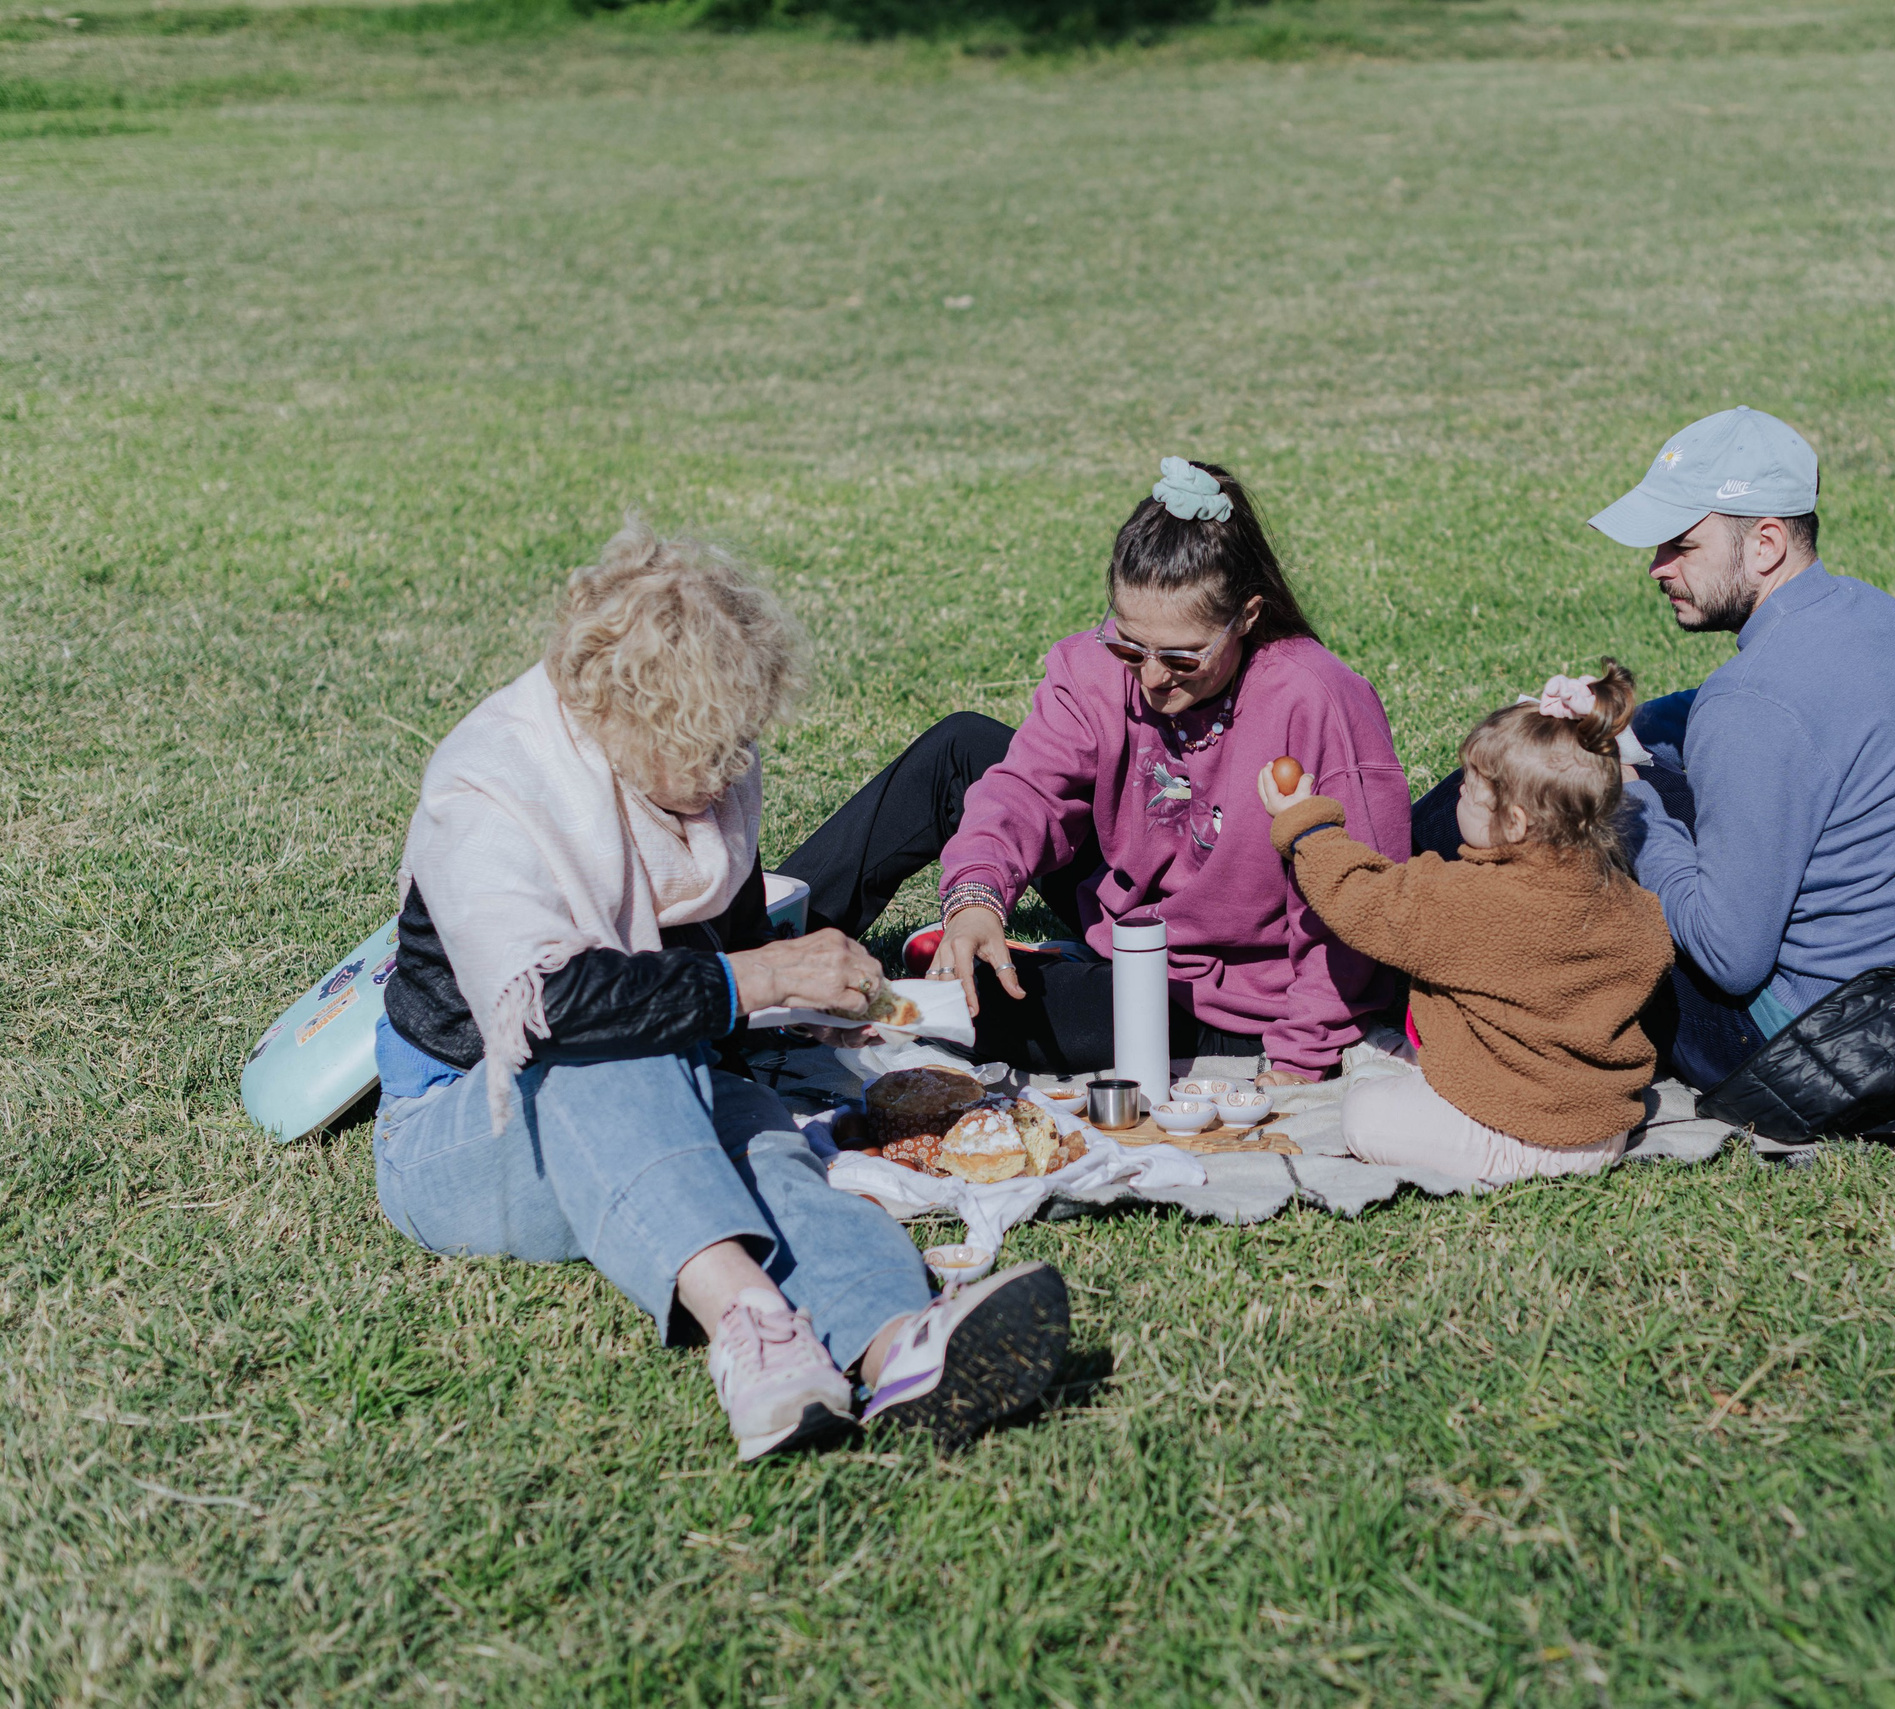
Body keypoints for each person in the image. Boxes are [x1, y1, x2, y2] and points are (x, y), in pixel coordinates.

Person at [371, 519, 1070, 1462]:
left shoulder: (707, 775)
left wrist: (809, 1006)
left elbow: (723, 963)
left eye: (737, 744)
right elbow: (551, 1008)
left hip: (668, 1090)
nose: (725, 775)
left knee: (763, 1140)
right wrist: (762, 976)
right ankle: (751, 1331)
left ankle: (900, 1341)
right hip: (467, 1118)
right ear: (608, 713)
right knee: (602, 1054)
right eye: (699, 751)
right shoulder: (491, 792)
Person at [778, 458, 1409, 1085]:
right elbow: (1027, 790)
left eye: (1183, 658)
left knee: (978, 1013)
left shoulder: (1316, 698)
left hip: (1226, 984)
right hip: (1130, 912)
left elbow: (1355, 900)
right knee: (961, 746)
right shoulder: (1090, 669)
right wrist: (976, 896)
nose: (1153, 676)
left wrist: (1304, 1052)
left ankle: (969, 967)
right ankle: (756, 948)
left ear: (1246, 616)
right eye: (1131, 646)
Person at [1586, 406, 1895, 1092]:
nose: (1656, 567)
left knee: (1567, 827)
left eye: (1679, 544)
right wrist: (1622, 721)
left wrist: (1627, 796)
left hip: (1807, 1051)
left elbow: (1728, 956)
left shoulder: (1749, 706)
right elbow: (1746, 710)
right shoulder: (1875, 614)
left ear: (1766, 542)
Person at [1258, 664, 1674, 1185]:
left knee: (1364, 1111)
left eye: (1470, 789)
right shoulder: (1631, 903)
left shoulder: (1466, 899)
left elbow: (1364, 899)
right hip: (1601, 1130)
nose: (1458, 795)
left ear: (1515, 823)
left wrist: (1308, 827)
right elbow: (1654, 953)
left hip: (1512, 1135)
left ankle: (1455, 1119)